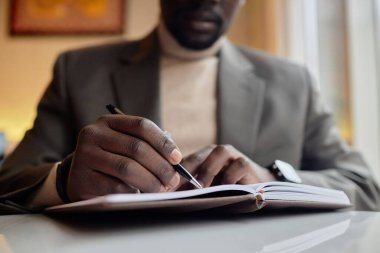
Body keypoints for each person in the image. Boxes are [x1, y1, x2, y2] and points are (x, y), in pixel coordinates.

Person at [0, 0, 379, 212]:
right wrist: (65, 180)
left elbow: (365, 188)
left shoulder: (292, 82)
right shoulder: (79, 70)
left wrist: (274, 176)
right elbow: (8, 182)